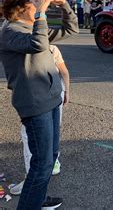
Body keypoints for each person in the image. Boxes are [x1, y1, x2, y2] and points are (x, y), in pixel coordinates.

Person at [0, 0, 78, 209]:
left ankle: (40, 199)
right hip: (35, 104)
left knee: (50, 157)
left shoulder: (35, 27)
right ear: (22, 6)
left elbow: (71, 29)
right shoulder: (10, 31)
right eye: (36, 1)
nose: (39, 4)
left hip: (52, 98)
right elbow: (38, 44)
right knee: (41, 163)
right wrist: (43, 14)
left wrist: (65, 7)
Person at [10, 44, 70, 196]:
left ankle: (32, 177)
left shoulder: (27, 48)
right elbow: (64, 72)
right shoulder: (52, 48)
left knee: (29, 134)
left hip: (41, 96)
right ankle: (53, 162)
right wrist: (67, 91)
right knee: (53, 130)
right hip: (57, 91)